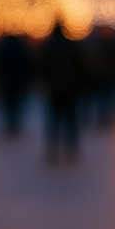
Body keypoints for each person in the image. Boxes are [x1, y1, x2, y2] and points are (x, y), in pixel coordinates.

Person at [36, 24, 84, 163]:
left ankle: (53, 149)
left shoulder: (47, 47)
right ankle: (71, 149)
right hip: (70, 89)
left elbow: (40, 67)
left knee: (53, 120)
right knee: (71, 119)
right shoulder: (72, 46)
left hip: (53, 89)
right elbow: (80, 66)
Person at [0, 35, 31, 136]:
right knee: (16, 103)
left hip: (6, 80)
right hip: (17, 80)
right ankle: (15, 123)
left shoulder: (3, 48)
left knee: (7, 104)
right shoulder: (21, 47)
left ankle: (9, 123)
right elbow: (26, 64)